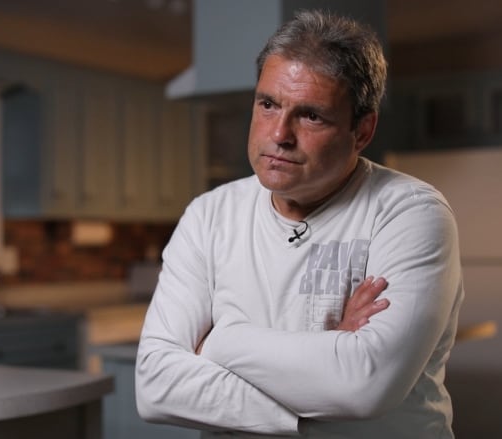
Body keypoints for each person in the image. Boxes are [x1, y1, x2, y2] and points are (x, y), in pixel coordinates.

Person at [135, 9, 464, 439]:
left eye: (310, 116)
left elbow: (365, 385)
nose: (279, 134)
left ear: (362, 131)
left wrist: (219, 342)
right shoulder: (209, 215)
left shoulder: (409, 212)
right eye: (268, 104)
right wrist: (327, 369)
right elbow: (156, 387)